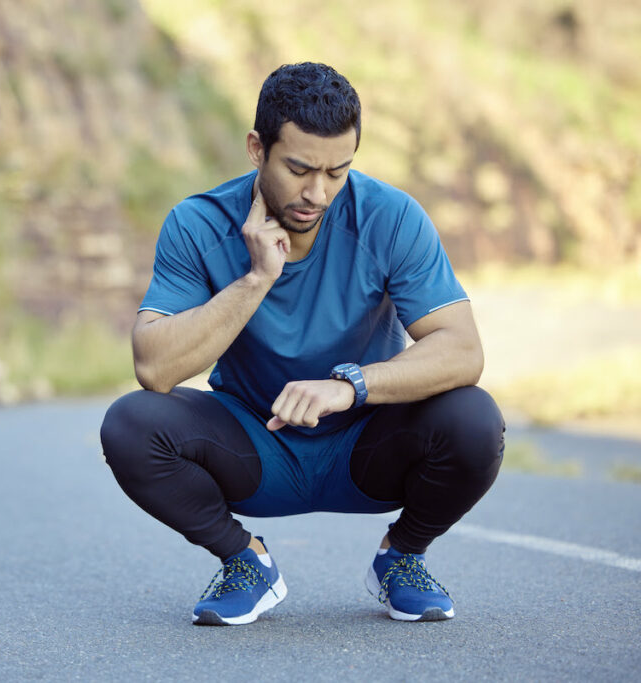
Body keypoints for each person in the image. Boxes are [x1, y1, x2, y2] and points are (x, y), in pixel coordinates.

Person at [100, 62, 505, 625]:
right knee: (130, 424)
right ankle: (244, 562)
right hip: (256, 446)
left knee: (474, 418)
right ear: (256, 148)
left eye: (338, 172)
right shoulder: (197, 223)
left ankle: (403, 557)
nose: (317, 192)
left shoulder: (392, 218)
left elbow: (463, 349)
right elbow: (155, 368)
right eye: (298, 168)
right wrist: (256, 280)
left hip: (367, 443)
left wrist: (352, 385)